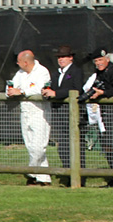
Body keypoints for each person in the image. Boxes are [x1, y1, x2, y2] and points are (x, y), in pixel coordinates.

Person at [6, 50, 52, 186]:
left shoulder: (42, 71)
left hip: (39, 112)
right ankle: (43, 178)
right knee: (30, 146)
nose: (17, 64)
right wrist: (10, 91)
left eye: (18, 62)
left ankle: (31, 171)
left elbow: (40, 89)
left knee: (39, 146)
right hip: (25, 111)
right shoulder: (19, 74)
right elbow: (11, 86)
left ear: (25, 62)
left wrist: (22, 91)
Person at [84, 47, 113, 187]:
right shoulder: (99, 73)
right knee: (107, 145)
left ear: (107, 59)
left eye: (101, 60)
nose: (99, 63)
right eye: (96, 61)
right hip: (104, 114)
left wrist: (103, 93)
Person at [41, 46, 85, 181]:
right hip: (59, 113)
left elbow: (77, 89)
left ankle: (79, 177)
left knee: (76, 145)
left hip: (72, 113)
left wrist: (57, 94)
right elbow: (52, 87)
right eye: (59, 57)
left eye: (64, 57)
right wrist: (46, 91)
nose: (61, 60)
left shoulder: (76, 71)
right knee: (63, 146)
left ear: (71, 57)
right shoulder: (56, 74)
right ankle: (67, 174)